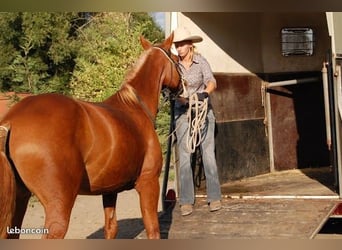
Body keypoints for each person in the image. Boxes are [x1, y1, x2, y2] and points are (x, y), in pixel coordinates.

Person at [173, 26, 222, 216]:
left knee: (208, 153)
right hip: (183, 112)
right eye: (177, 44)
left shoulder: (201, 61)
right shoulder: (174, 65)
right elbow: (172, 89)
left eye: (182, 44)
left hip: (203, 111)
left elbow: (212, 81)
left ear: (190, 44)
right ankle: (186, 201)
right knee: (185, 156)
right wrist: (181, 99)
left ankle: (215, 197)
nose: (179, 47)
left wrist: (204, 94)